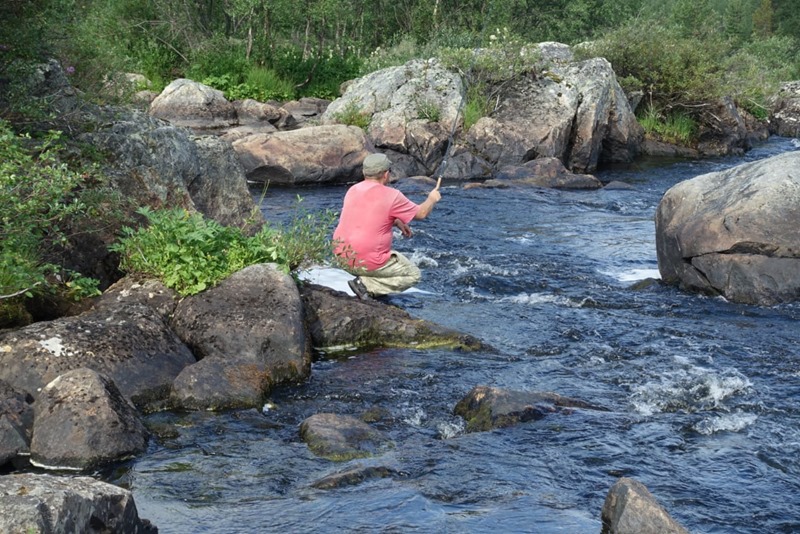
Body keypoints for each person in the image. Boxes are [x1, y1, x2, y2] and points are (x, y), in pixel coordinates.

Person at [333, 153, 442, 300]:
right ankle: (365, 285)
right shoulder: (392, 195)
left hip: (342, 257)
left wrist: (396, 221)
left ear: (365, 173)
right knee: (413, 274)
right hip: (366, 262)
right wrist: (432, 199)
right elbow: (422, 213)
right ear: (385, 174)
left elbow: (366, 214)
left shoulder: (353, 190)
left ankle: (368, 287)